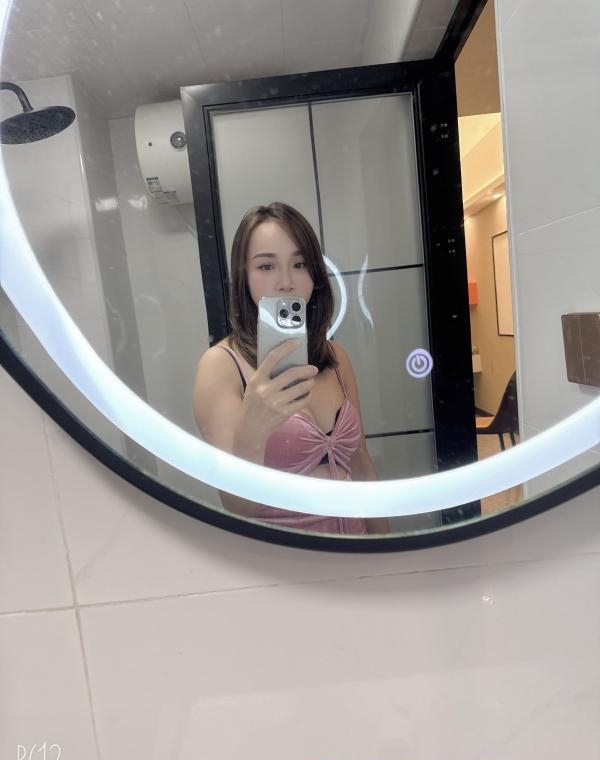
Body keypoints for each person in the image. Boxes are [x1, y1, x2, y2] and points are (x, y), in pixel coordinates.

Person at [193, 202, 388, 534]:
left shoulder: (336, 357)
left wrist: (385, 548)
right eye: (266, 266)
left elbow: (362, 466)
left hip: (356, 553)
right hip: (284, 558)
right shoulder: (221, 366)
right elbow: (237, 505)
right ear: (244, 277)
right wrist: (253, 427)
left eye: (299, 264)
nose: (285, 282)